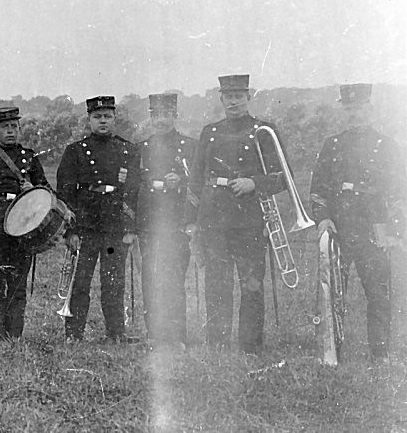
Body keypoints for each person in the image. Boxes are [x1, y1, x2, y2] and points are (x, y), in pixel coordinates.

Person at [184, 74, 286, 354]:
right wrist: (191, 220)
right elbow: (195, 179)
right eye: (228, 96)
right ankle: (216, 343)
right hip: (214, 218)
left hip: (250, 219)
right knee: (216, 281)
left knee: (252, 283)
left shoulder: (265, 130)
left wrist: (255, 183)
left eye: (239, 96)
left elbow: (282, 177)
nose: (233, 101)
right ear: (221, 99)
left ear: (249, 96)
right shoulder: (210, 132)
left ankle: (250, 346)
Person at [309, 83, 404, 363]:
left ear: (370, 109)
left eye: (360, 108)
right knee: (333, 294)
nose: (355, 114)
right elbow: (318, 187)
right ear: (344, 111)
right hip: (339, 226)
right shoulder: (333, 144)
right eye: (349, 109)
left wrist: (395, 230)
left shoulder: (386, 145)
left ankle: (380, 352)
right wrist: (323, 217)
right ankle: (332, 350)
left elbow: (399, 190)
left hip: (374, 229)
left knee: (378, 293)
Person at [56, 96, 140, 342]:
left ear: (114, 118)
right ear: (89, 120)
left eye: (107, 116)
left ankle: (116, 333)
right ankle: (74, 333)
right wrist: (70, 231)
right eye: (97, 117)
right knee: (80, 281)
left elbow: (133, 191)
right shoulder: (75, 151)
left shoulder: (128, 150)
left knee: (113, 282)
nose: (102, 121)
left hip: (115, 226)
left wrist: (130, 228)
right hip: (86, 226)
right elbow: (65, 193)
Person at [0, 107, 50, 340]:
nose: (10, 131)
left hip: (24, 226)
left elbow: (46, 191)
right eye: (5, 127)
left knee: (18, 283)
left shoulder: (31, 158)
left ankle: (15, 333)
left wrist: (33, 189)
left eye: (14, 126)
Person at [136, 93, 196, 350]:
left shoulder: (190, 146)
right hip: (150, 222)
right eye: (156, 115)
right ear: (151, 117)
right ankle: (154, 334)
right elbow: (133, 186)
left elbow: (199, 184)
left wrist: (181, 182)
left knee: (175, 278)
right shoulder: (141, 148)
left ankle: (178, 334)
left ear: (175, 116)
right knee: (150, 276)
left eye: (166, 114)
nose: (161, 120)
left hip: (177, 223)